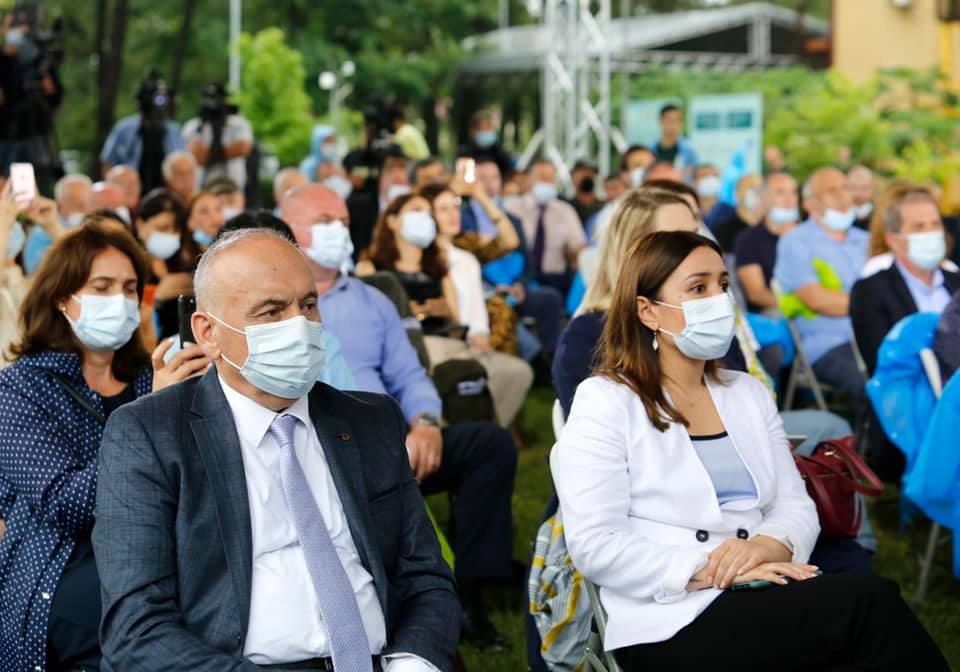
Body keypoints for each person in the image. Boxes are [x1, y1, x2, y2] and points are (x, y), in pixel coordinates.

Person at [551, 229, 949, 671]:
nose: (719, 300)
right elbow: (595, 543)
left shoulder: (746, 393)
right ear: (647, 311)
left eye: (723, 285)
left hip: (763, 588)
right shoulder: (607, 400)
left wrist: (765, 546)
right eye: (698, 288)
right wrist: (715, 569)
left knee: (865, 627)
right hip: (671, 614)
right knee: (870, 605)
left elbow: (795, 505)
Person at [91, 227, 461, 671]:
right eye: (271, 311)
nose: (299, 326)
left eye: (308, 304)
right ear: (208, 333)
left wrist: (412, 663)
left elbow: (425, 577)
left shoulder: (369, 420)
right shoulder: (150, 434)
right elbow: (136, 628)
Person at [281, 184, 518, 649]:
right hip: (318, 449)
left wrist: (426, 422)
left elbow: (409, 374)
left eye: (343, 222)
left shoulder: (372, 300)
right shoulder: (275, 311)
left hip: (394, 443)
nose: (338, 231)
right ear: (289, 230)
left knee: (489, 444)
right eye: (325, 222)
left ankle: (470, 594)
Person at [0, 218, 208, 672]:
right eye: (102, 287)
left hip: (166, 579)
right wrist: (152, 413)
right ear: (62, 298)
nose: (120, 300)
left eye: (130, 288)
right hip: (64, 583)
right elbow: (67, 505)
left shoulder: (150, 379)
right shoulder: (20, 388)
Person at [850, 188, 959, 482]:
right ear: (894, 240)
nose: (931, 233)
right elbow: (880, 362)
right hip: (911, 403)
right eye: (919, 227)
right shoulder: (871, 290)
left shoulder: (955, 281)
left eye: (935, 224)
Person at [421, 182, 533, 426]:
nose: (453, 214)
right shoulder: (418, 256)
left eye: (455, 207)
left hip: (468, 341)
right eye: (443, 209)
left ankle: (486, 432)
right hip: (435, 339)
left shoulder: (466, 254)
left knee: (518, 372)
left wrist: (479, 195)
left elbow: (509, 241)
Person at [774, 167, 869, 414]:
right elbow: (817, 300)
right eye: (832, 190)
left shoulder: (866, 240)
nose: (843, 195)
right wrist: (874, 305)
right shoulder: (796, 241)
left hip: (874, 336)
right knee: (874, 386)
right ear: (810, 203)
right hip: (830, 345)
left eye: (845, 187)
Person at [467, 158, 565, 359]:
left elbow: (528, 262)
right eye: (482, 178)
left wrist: (520, 284)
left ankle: (549, 360)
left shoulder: (512, 220)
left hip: (514, 288)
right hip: (482, 291)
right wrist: (493, 288)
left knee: (551, 298)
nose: (489, 183)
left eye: (494, 177)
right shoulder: (463, 218)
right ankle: (533, 358)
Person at [356, 193, 460, 338]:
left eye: (429, 213)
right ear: (392, 221)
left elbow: (457, 324)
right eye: (417, 210)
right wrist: (400, 313)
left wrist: (445, 311)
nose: (425, 217)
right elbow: (360, 320)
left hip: (438, 343)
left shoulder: (439, 270)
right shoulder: (370, 269)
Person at [504, 159, 586, 295]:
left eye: (550, 178)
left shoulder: (565, 211)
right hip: (519, 278)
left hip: (555, 279)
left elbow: (579, 246)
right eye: (542, 177)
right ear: (528, 180)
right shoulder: (512, 210)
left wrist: (574, 254)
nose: (546, 182)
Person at [100, 73, 185, 193]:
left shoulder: (173, 130)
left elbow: (183, 164)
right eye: (156, 98)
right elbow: (107, 163)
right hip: (130, 193)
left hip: (165, 194)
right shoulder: (124, 129)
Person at [133, 189, 198, 339]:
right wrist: (156, 296)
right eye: (162, 228)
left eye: (175, 229)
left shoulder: (188, 265)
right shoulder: (131, 268)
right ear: (140, 225)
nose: (170, 235)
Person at [734, 171, 800, 314]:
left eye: (793, 192)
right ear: (763, 198)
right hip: (773, 314)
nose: (789, 200)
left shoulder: (809, 235)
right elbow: (756, 294)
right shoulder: (749, 240)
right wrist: (800, 306)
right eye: (780, 192)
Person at [183, 82, 254, 191]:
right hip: (202, 188)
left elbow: (243, 148)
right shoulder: (194, 125)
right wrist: (224, 152)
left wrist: (211, 154)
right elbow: (199, 156)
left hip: (233, 187)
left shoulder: (238, 124)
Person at [23, 173, 91, 273]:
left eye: (88, 203)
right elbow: (38, 273)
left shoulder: (95, 228)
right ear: (59, 204)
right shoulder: (41, 233)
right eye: (76, 203)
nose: (83, 209)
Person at [712, 173, 763, 253]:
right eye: (750, 188)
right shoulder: (724, 231)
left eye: (759, 189)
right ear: (737, 192)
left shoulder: (772, 228)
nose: (756, 193)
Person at [458, 110, 513, 180]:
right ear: (472, 131)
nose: (488, 132)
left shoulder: (500, 153)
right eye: (484, 128)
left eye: (490, 128)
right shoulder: (464, 153)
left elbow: (509, 174)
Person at [651, 104, 698, 178]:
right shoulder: (650, 150)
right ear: (660, 121)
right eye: (670, 120)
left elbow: (695, 176)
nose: (674, 124)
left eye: (678, 120)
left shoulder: (689, 151)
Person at [566, 159, 603, 226]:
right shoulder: (566, 208)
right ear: (572, 178)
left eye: (591, 173)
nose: (587, 176)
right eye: (582, 173)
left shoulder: (603, 208)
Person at [848, 164, 876, 231]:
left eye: (864, 189)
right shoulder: (840, 214)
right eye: (853, 188)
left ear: (872, 189)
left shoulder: (878, 216)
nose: (858, 193)